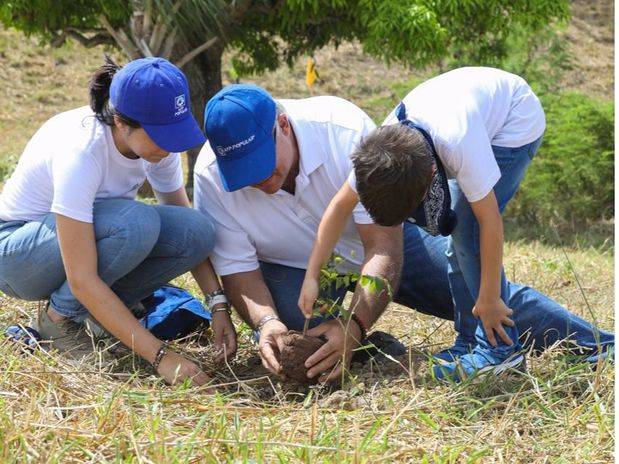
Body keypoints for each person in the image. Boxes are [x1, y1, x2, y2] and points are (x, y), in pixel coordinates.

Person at [195, 83, 613, 383]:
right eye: (245, 175)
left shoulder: (344, 132)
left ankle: (600, 346)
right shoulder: (210, 176)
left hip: (381, 245)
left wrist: (354, 323)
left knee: (473, 288)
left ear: (282, 126)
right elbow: (236, 268)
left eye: (265, 164)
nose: (262, 181)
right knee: (294, 329)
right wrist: (266, 322)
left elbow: (382, 247)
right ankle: (370, 348)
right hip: (300, 267)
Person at [0, 57, 237, 386]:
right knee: (135, 224)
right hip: (17, 257)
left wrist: (218, 305)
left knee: (197, 231)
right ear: (122, 122)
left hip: (81, 246)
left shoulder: (157, 149)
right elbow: (81, 278)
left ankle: (101, 317)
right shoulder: (82, 151)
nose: (170, 145)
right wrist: (160, 356)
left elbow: (188, 233)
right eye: (160, 134)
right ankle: (57, 320)